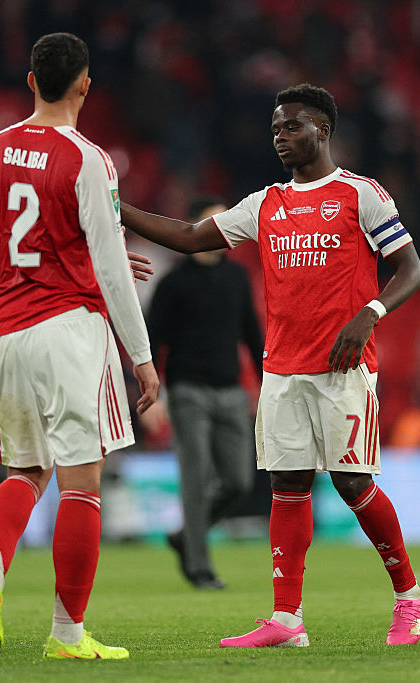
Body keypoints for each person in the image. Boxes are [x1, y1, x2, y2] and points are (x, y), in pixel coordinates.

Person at [120, 83, 420, 648]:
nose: (281, 137)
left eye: (292, 126)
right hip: (282, 370)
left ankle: (409, 595)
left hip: (343, 369)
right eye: (276, 129)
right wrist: (115, 206)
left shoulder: (360, 194)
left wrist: (371, 313)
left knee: (352, 482)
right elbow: (188, 237)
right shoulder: (265, 204)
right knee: (288, 485)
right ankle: (287, 619)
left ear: (323, 130)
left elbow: (410, 269)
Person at [0, 32, 159, 661]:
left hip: (10, 333)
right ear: (85, 85)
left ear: (32, 82)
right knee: (82, 484)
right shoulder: (89, 159)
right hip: (73, 330)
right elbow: (112, 267)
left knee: (25, 471)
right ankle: (67, 634)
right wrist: (141, 357)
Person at [148, 196, 264, 589]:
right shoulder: (173, 283)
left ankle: (186, 535)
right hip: (188, 392)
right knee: (196, 479)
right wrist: (152, 394)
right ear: (195, 227)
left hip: (231, 392)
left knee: (238, 481)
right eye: (214, 222)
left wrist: (268, 384)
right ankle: (200, 568)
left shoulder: (237, 278)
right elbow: (152, 340)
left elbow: (252, 335)